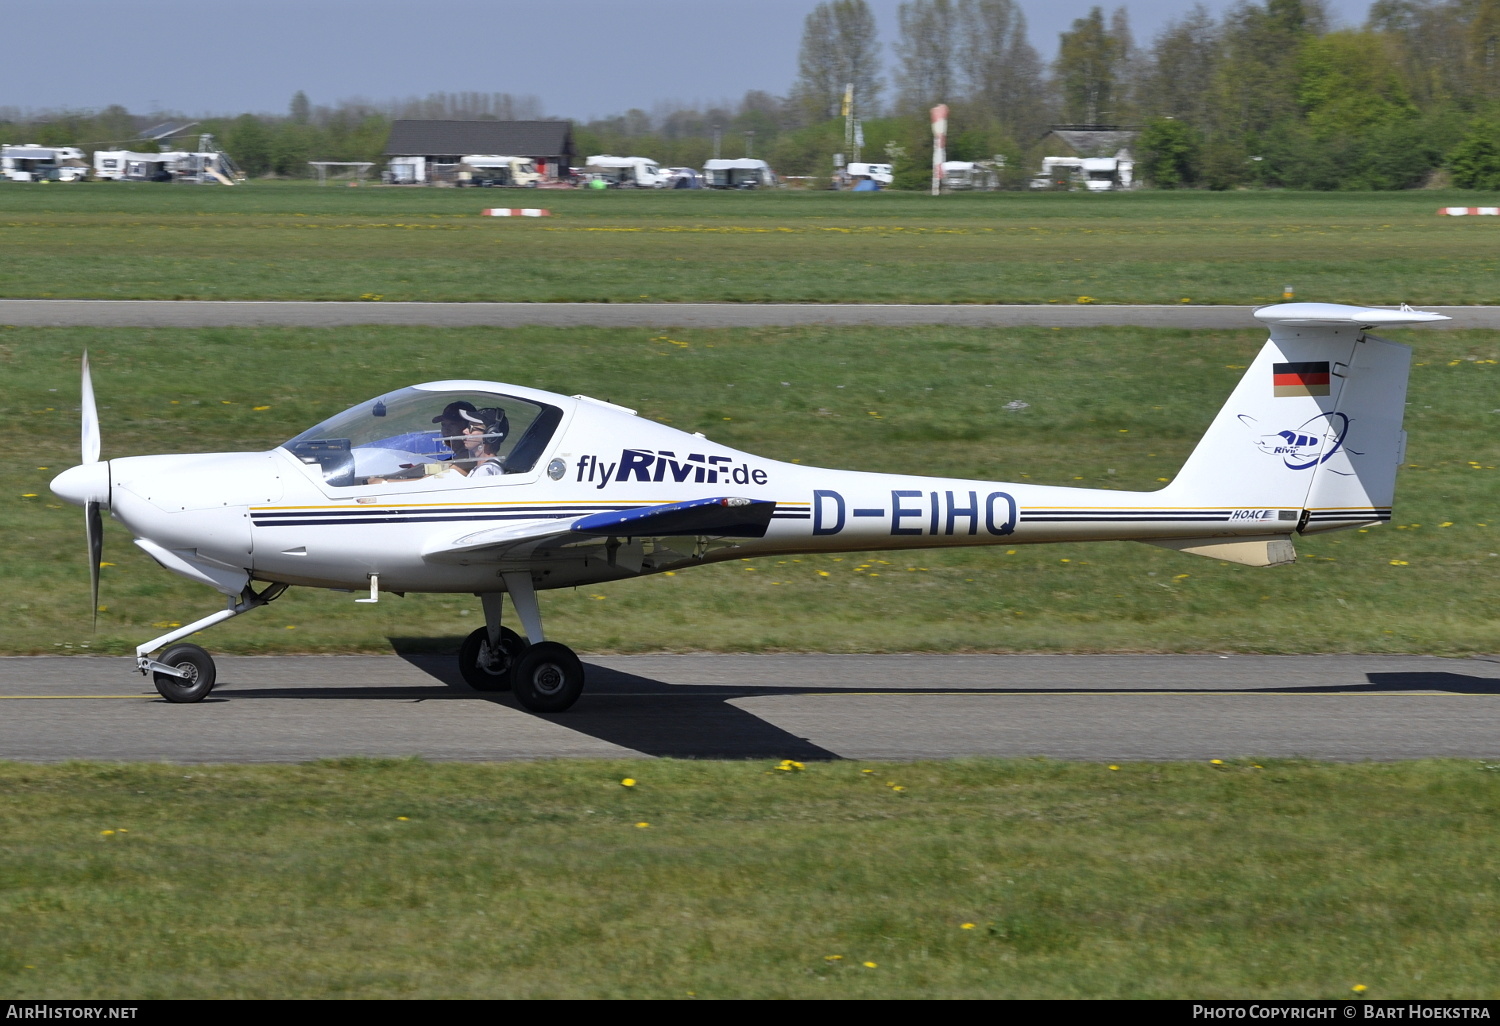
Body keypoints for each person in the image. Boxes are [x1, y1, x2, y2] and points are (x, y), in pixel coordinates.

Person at [462, 407, 510, 478]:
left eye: (471, 428)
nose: (464, 431)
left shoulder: (486, 470)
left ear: (490, 435)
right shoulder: (482, 468)